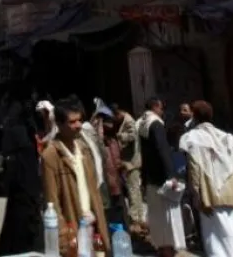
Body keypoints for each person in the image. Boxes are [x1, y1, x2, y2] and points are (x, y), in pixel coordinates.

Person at [180, 100, 233, 257]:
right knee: (231, 243)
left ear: (194, 116)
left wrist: (196, 195)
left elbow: (194, 170)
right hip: (232, 197)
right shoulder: (228, 138)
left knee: (214, 244)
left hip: (210, 198)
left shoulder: (193, 138)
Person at [41, 98, 110, 257]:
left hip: (94, 225)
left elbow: (94, 190)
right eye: (72, 122)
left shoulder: (84, 149)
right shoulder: (51, 156)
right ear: (59, 124)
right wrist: (64, 237)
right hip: (74, 228)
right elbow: (52, 203)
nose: (78, 125)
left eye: (79, 120)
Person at [0, 102, 45, 257]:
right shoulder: (28, 147)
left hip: (21, 205)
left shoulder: (15, 150)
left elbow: (4, 185)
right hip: (30, 203)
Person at [139, 96, 184, 257]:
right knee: (168, 216)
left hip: (150, 178)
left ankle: (161, 247)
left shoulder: (141, 123)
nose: (163, 111)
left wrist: (143, 179)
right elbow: (162, 150)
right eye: (162, 108)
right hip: (162, 179)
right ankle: (168, 248)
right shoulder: (156, 124)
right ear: (156, 107)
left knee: (156, 215)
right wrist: (171, 175)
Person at [115, 103, 146, 233]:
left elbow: (132, 136)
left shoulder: (128, 120)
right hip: (131, 162)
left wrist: (120, 136)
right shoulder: (126, 120)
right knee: (135, 191)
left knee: (133, 191)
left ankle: (135, 221)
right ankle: (139, 218)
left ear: (118, 113)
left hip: (132, 162)